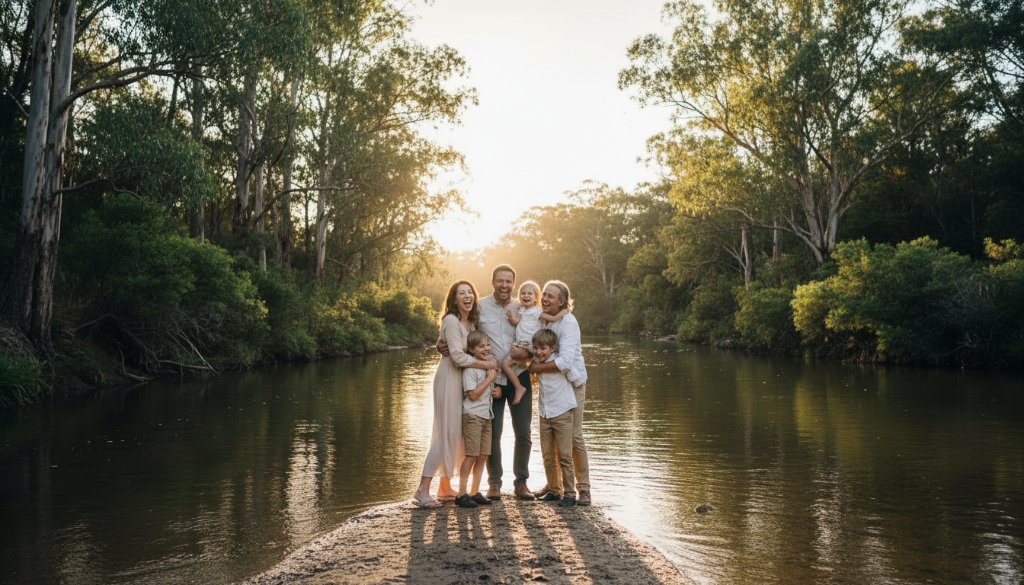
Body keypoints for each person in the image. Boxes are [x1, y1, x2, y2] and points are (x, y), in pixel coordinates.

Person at [441, 265, 535, 500]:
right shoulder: (479, 307)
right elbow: (462, 333)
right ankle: (494, 483)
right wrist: (441, 343)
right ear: (493, 282)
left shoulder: (523, 307)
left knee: (523, 432)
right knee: (493, 434)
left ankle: (521, 482)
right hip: (491, 380)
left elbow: (537, 339)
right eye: (500, 281)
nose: (504, 285)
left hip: (519, 378)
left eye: (508, 281)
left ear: (514, 283)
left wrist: (528, 353)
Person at [413, 280, 497, 509]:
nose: (468, 296)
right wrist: (487, 364)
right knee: (446, 433)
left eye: (470, 292)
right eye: (462, 293)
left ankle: (444, 486)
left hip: (463, 380)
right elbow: (458, 358)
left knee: (457, 434)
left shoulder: (471, 323)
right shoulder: (450, 321)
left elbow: (464, 350)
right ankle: (422, 489)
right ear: (454, 299)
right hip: (449, 378)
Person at [529, 280, 591, 506]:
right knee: (551, 437)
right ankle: (554, 484)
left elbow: (565, 361)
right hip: (551, 384)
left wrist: (535, 368)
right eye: (544, 294)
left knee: (573, 437)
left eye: (551, 296)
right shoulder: (544, 318)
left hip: (572, 384)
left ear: (562, 301)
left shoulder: (568, 323)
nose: (545, 299)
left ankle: (583, 489)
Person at [531, 328, 578, 507]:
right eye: (536, 348)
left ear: (553, 348)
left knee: (565, 455)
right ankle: (554, 490)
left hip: (562, 412)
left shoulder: (560, 363)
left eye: (543, 348)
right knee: (548, 455)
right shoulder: (535, 361)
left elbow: (575, 376)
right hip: (545, 413)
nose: (539, 352)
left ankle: (570, 493)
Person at [501, 280, 566, 405]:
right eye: (523, 293)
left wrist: (563, 312)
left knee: (506, 362)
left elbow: (552, 318)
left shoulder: (537, 311)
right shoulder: (521, 310)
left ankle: (519, 387)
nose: (526, 296)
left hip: (529, 344)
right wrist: (511, 318)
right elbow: (516, 322)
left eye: (529, 294)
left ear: (536, 297)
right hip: (520, 343)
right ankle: (519, 386)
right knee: (505, 364)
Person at [456, 331, 498, 509]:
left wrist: (497, 390)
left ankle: (474, 492)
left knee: (482, 456)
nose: (486, 348)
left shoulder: (489, 366)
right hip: (473, 415)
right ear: (472, 350)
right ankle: (461, 494)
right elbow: (472, 395)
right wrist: (489, 380)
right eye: (481, 346)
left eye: (488, 345)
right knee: (471, 455)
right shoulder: (470, 370)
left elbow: (489, 389)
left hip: (486, 415)